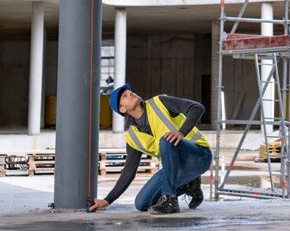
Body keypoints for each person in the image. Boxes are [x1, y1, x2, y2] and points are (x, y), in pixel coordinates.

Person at [89, 84, 212, 215]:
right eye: (125, 96)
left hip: (199, 156)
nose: (130, 93)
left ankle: (170, 199)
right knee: (142, 203)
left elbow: (197, 108)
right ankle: (190, 186)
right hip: (176, 167)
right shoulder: (133, 137)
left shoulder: (159, 102)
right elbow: (128, 172)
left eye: (129, 91)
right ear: (123, 109)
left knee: (165, 140)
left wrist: (181, 132)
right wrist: (107, 201)